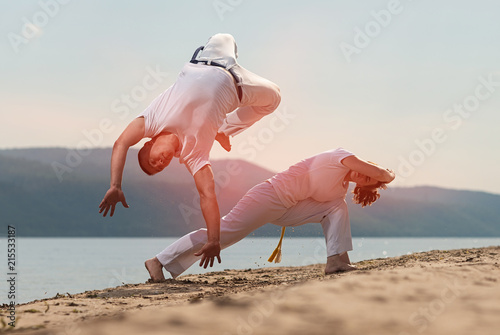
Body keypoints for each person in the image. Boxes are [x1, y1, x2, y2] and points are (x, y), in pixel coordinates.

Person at [98, 33, 281, 265]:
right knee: (274, 97)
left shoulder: (152, 120)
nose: (160, 163)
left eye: (152, 161)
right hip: (238, 85)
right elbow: (207, 195)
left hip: (207, 58)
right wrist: (214, 240)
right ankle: (223, 130)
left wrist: (115, 185)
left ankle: (220, 130)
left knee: (224, 35)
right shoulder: (193, 155)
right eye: (160, 167)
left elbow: (120, 143)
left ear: (149, 143)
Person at [144, 147, 396, 281]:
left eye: (368, 181)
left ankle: (337, 261)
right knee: (224, 234)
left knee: (337, 208)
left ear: (363, 187)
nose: (365, 177)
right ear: (366, 164)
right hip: (269, 196)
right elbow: (385, 175)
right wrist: (387, 174)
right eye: (368, 172)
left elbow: (327, 213)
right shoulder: (342, 156)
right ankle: (158, 261)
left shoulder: (339, 190)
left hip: (288, 210)